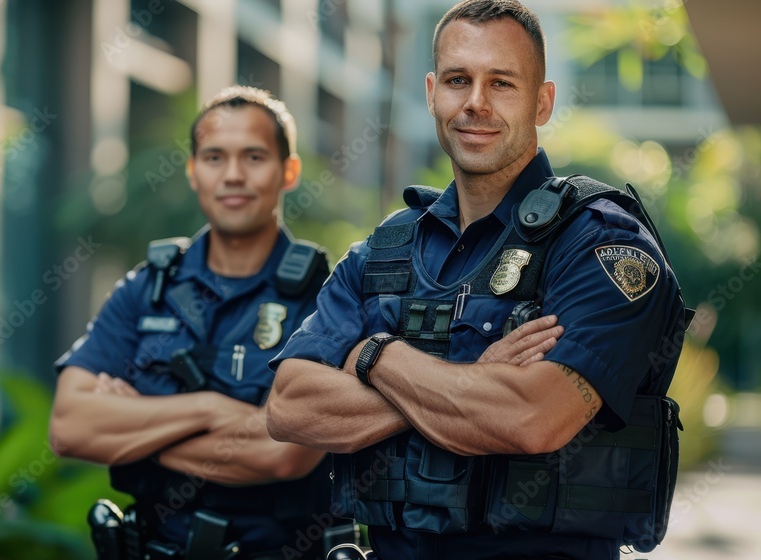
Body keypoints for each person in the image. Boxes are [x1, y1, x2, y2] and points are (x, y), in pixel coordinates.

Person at [265, 2, 689, 560]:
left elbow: (532, 416)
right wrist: (475, 379)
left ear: (543, 101)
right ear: (430, 92)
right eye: (458, 80)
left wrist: (374, 356)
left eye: (503, 83)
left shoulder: (599, 244)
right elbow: (291, 406)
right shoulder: (384, 251)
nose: (475, 104)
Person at [48, 86, 350, 560]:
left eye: (253, 157)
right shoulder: (148, 288)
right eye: (214, 157)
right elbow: (70, 426)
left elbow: (283, 453)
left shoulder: (328, 299)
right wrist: (210, 409)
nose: (232, 175)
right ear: (193, 171)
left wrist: (133, 434)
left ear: (288, 171)